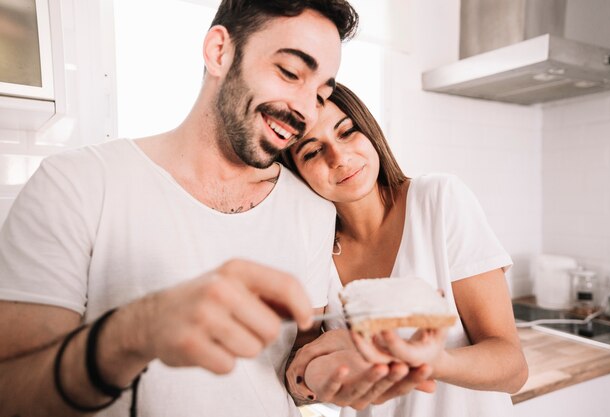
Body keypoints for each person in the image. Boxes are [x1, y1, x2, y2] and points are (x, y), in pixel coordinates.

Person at [0, 2, 361, 416]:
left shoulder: (312, 210)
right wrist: (134, 331)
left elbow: (289, 370)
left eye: (320, 95)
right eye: (290, 73)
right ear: (219, 51)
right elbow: (11, 394)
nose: (305, 110)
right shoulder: (76, 184)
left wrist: (327, 376)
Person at [282, 83, 529, 417]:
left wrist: (436, 362)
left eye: (347, 132)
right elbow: (302, 368)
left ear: (369, 130)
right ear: (296, 173)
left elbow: (513, 369)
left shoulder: (438, 200)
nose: (338, 157)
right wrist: (306, 381)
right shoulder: (312, 247)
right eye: (311, 152)